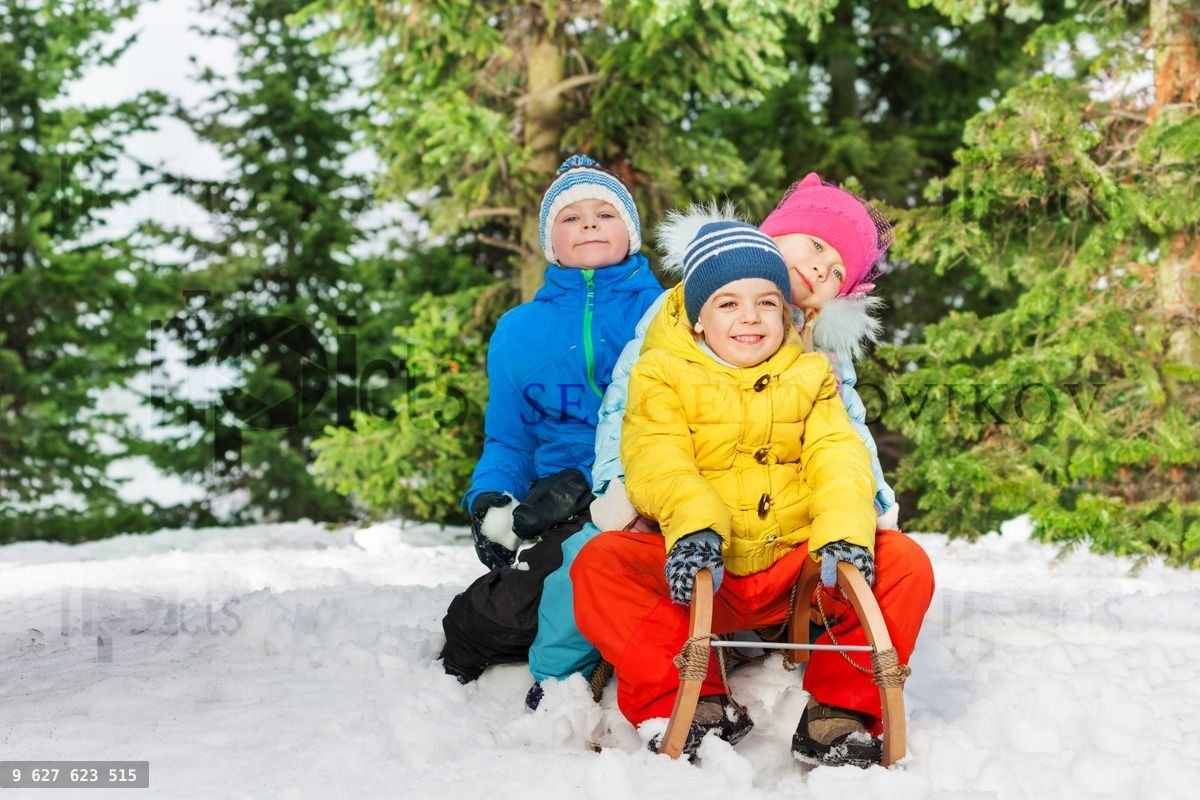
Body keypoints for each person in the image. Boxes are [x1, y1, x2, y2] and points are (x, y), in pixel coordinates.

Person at [528, 175, 908, 711]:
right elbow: (631, 413)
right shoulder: (680, 317)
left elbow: (847, 443)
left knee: (892, 559)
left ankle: (827, 691)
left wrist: (872, 509)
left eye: (837, 272)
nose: (822, 267)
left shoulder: (823, 362)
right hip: (681, 509)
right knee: (588, 559)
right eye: (818, 245)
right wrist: (620, 483)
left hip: (781, 529)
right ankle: (565, 674)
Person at [438, 154, 663, 683]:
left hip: (647, 489)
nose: (588, 223)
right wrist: (490, 498)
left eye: (606, 213)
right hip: (557, 502)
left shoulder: (667, 313)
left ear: (630, 234)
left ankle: (615, 642)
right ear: (550, 243)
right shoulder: (519, 330)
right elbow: (509, 439)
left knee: (605, 582)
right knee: (485, 625)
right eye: (570, 216)